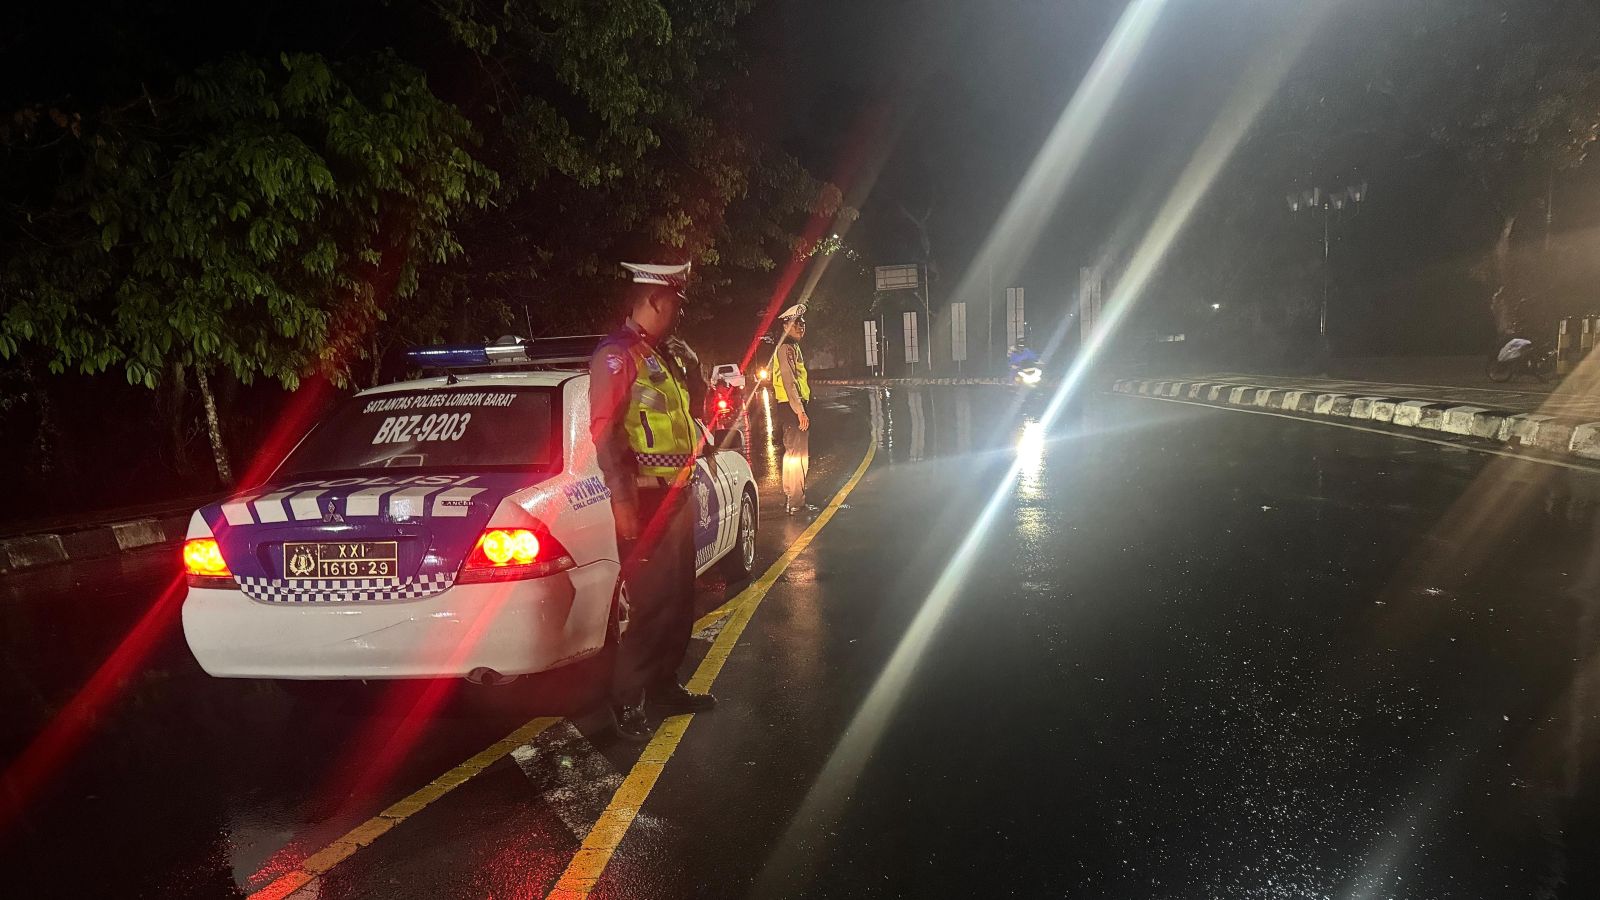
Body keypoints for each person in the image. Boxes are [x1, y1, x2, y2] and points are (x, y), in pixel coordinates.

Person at [589, 260, 716, 742]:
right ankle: (627, 700)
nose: (679, 313)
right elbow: (606, 433)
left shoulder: (660, 355)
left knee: (679, 599)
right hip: (645, 499)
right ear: (656, 300)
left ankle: (664, 686)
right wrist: (622, 503)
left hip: (676, 495)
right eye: (676, 305)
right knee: (650, 604)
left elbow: (683, 415)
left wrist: (696, 374)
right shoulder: (616, 356)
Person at [771, 304, 813, 515]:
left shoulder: (790, 347)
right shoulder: (786, 348)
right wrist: (800, 410)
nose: (801, 326)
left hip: (788, 406)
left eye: (802, 322)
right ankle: (797, 502)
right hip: (791, 407)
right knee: (799, 456)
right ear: (785, 325)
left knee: (791, 455)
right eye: (796, 323)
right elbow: (790, 382)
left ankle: (791, 497)